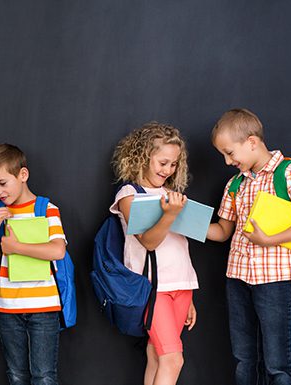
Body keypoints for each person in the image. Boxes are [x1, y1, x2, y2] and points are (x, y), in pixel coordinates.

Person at [206, 108, 291, 385]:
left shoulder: (289, 173)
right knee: (244, 359)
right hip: (238, 279)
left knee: (278, 363)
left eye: (229, 153)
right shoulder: (235, 184)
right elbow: (223, 231)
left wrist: (268, 240)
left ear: (252, 142)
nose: (226, 161)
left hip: (277, 281)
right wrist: (180, 221)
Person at [109, 123, 198, 385]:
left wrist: (187, 291)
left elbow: (180, 247)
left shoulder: (173, 195)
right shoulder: (129, 194)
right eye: (162, 162)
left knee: (156, 354)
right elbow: (149, 242)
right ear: (142, 157)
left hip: (181, 286)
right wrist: (170, 214)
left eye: (174, 164)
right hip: (152, 287)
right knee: (173, 359)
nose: (168, 170)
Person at [0, 143, 67, 385]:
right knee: (16, 375)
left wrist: (17, 247)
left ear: (23, 175)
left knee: (44, 375)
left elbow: (58, 250)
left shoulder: (46, 209)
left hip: (43, 306)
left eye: (2, 183)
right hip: (8, 307)